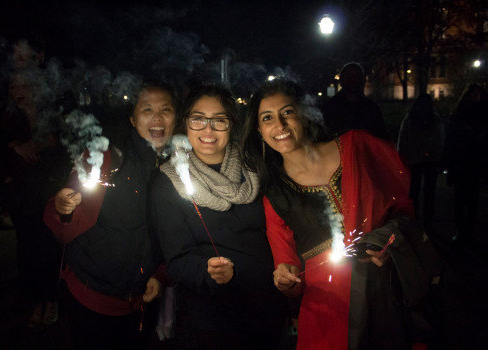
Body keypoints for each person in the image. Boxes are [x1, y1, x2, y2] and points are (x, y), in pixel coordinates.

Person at [241, 79, 436, 350]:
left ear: (305, 114)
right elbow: (288, 266)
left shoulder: (359, 147)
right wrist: (285, 278)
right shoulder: (274, 194)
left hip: (384, 294)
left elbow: (404, 210)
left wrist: (388, 243)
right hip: (327, 312)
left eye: (288, 112)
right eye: (267, 118)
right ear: (260, 130)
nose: (280, 125)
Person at [150, 84, 285, 350]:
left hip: (267, 305)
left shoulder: (255, 166)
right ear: (185, 124)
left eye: (219, 120)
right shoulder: (169, 181)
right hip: (213, 316)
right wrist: (206, 271)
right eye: (198, 119)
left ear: (231, 124)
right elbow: (176, 260)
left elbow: (280, 228)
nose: (208, 130)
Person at [43, 81, 176, 349]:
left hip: (143, 300)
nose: (158, 117)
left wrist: (161, 274)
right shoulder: (103, 158)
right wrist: (63, 208)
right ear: (132, 117)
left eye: (166, 109)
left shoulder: (179, 165)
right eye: (147, 109)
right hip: (91, 299)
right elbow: (63, 228)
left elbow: (175, 232)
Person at [0, 67, 69, 328]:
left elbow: (65, 150)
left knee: (48, 246)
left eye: (23, 87)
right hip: (21, 193)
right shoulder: (6, 117)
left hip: (48, 191)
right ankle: (35, 300)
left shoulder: (51, 116)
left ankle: (51, 299)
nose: (18, 93)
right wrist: (13, 146)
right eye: (13, 88)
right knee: (26, 247)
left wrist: (47, 145)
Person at [444, 84, 488, 243]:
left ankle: (468, 230)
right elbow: (450, 143)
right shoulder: (458, 118)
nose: (474, 98)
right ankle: (461, 229)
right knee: (460, 200)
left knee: (472, 200)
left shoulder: (482, 118)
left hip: (474, 164)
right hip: (460, 163)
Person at [397, 93, 445, 231]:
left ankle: (424, 220)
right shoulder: (412, 120)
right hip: (417, 159)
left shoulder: (431, 120)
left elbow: (439, 140)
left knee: (424, 191)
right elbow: (403, 139)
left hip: (426, 160)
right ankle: (417, 219)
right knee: (415, 191)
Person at [320, 62, 389, 140]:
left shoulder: (371, 109)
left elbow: (381, 137)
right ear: (342, 80)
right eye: (349, 76)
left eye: (356, 76)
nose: (353, 80)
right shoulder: (329, 108)